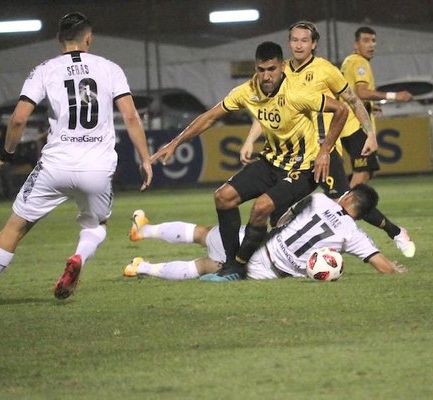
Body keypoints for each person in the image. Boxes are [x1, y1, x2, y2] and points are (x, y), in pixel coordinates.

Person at [0, 12, 153, 309]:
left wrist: (6, 154)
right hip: (97, 168)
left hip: (54, 166)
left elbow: (19, 119)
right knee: (96, 225)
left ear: (59, 40)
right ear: (89, 38)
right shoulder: (110, 68)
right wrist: (145, 159)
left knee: (14, 228)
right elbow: (131, 116)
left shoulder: (44, 69)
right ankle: (78, 257)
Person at [150, 41, 349, 281]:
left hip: (302, 169)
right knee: (223, 197)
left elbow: (341, 110)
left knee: (261, 207)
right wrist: (175, 142)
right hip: (270, 162)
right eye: (261, 69)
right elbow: (210, 117)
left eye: (272, 69)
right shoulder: (247, 91)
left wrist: (325, 150)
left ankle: (238, 265)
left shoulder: (298, 92)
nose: (266, 76)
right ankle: (231, 265)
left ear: (282, 67)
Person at [240, 21, 415, 258]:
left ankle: (395, 233)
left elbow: (352, 100)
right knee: (275, 208)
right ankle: (271, 253)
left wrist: (370, 133)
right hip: (290, 154)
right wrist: (250, 140)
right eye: (294, 40)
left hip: (322, 149)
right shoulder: (280, 71)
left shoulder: (325, 69)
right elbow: (267, 112)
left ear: (314, 44)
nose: (298, 45)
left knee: (344, 201)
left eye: (304, 40)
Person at [124, 184, 407, 281]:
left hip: (259, 245)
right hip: (268, 273)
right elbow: (382, 265)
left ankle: (144, 233)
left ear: (347, 198)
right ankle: (142, 267)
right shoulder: (354, 235)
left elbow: (284, 217)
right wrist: (395, 269)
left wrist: (281, 227)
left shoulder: (320, 200)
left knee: (205, 234)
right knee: (203, 266)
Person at [340, 26, 413, 188]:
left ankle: (336, 198)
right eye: (365, 41)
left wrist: (371, 106)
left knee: (367, 170)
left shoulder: (348, 61)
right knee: (363, 171)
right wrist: (395, 96)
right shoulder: (360, 62)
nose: (371, 45)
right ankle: (340, 211)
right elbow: (362, 92)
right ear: (356, 44)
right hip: (356, 126)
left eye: (373, 41)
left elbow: (351, 94)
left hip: (346, 124)